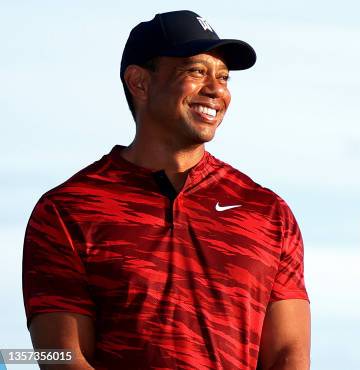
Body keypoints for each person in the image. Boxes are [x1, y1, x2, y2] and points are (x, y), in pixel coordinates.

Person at [22, 10, 310, 370]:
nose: (217, 89)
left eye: (223, 77)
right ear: (140, 82)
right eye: (196, 71)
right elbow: (62, 358)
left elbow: (288, 356)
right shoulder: (67, 210)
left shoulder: (267, 212)